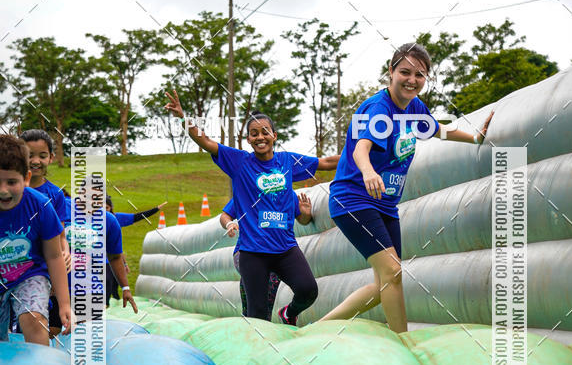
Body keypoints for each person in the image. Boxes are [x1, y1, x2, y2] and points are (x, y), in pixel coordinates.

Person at [323, 42, 494, 334]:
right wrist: (367, 172)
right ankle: (404, 343)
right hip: (354, 200)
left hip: (385, 205)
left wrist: (475, 138)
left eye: (420, 75)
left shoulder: (414, 107)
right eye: (405, 72)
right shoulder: (380, 108)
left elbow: (438, 130)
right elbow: (360, 150)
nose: (412, 80)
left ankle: (319, 327)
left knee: (383, 285)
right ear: (391, 72)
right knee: (393, 272)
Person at [165, 89, 339, 324]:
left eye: (265, 132)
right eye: (254, 133)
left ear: (274, 135)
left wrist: (361, 154)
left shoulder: (287, 162)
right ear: (248, 139)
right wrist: (183, 117)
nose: (260, 137)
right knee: (257, 315)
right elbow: (205, 141)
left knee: (308, 290)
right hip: (252, 252)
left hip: (285, 248)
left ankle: (288, 314)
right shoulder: (240, 162)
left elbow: (326, 162)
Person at [0, 135, 71, 344]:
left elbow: (54, 255)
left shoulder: (40, 205)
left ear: (27, 178)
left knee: (34, 319)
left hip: (30, 275)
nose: (3, 190)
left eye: (11, 182)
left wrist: (64, 303)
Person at [220, 190, 313, 319]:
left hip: (278, 253)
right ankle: (251, 319)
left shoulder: (288, 193)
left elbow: (302, 220)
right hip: (246, 252)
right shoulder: (249, 189)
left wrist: (305, 214)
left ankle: (281, 316)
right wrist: (229, 224)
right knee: (258, 294)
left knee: (266, 298)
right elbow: (225, 215)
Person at [20, 129, 71, 338]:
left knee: (41, 318)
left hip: (43, 265)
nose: (35, 161)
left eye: (42, 155)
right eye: (29, 155)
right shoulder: (9, 189)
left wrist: (66, 251)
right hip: (16, 262)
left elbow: (60, 234)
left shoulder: (55, 194)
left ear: (51, 157)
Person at [66, 183, 138, 314]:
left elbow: (115, 257)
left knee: (86, 330)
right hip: (57, 288)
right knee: (52, 332)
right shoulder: (63, 209)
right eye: (87, 196)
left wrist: (125, 288)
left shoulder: (109, 220)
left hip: (89, 289)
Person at [104, 195, 167, 305]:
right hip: (97, 261)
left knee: (113, 286)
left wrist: (156, 209)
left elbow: (138, 216)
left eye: (107, 208)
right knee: (105, 286)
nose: (104, 210)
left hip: (111, 259)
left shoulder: (115, 218)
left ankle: (112, 306)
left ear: (111, 208)